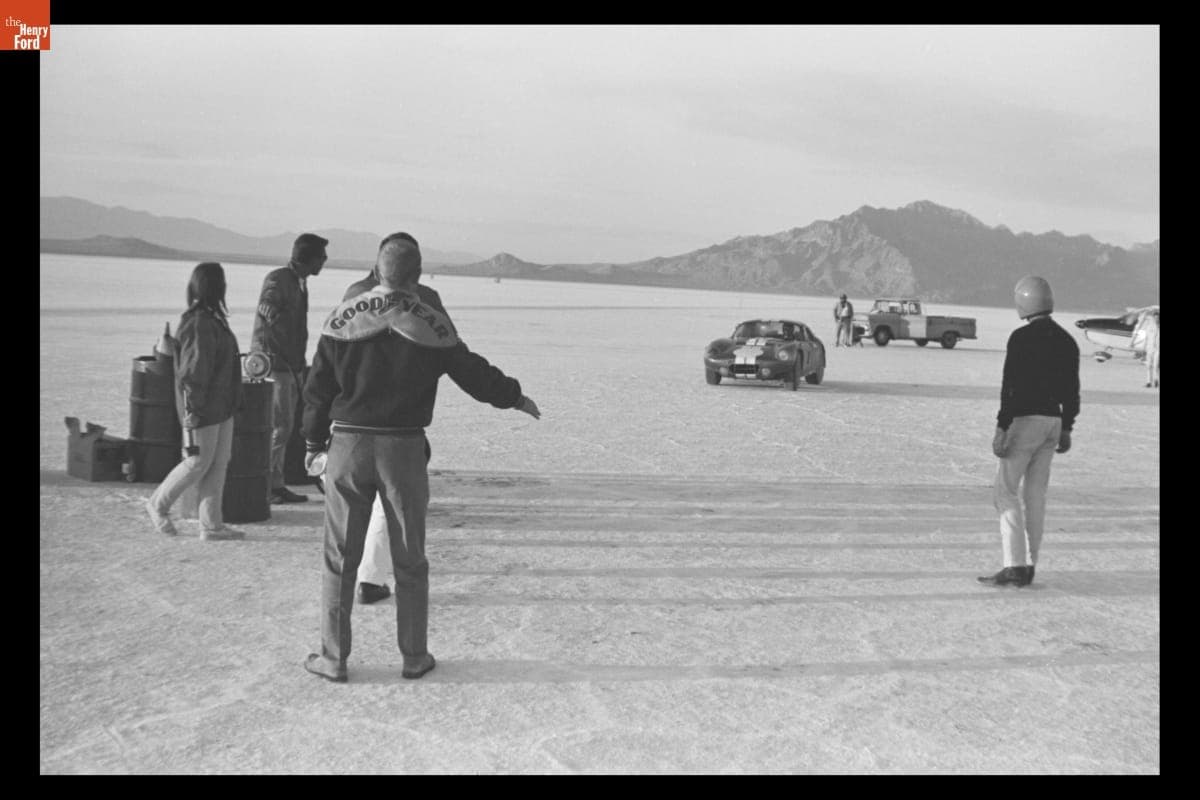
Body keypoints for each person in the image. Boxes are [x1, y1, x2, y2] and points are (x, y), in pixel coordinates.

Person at [301, 233, 541, 683]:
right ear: (416, 276)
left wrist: (313, 444)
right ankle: (413, 656)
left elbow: (317, 387)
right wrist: (514, 397)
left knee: (340, 557)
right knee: (410, 558)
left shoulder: (344, 317)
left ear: (376, 270)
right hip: (403, 449)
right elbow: (471, 372)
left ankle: (333, 658)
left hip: (349, 447)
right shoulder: (429, 322)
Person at [979, 275, 1079, 588]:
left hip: (1025, 422)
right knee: (1036, 495)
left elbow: (1011, 385)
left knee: (1006, 491)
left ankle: (1014, 565)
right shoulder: (1067, 340)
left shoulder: (1021, 339)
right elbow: (1071, 390)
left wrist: (1002, 425)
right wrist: (1067, 426)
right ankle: (1030, 565)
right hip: (1052, 423)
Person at [144, 262, 245, 541]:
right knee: (197, 462)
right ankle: (157, 504)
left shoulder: (212, 319)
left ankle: (211, 525)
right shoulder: (200, 323)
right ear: (217, 287)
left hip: (222, 406)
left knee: (218, 463)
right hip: (205, 408)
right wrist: (193, 410)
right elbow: (193, 372)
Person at [252, 232, 328, 505]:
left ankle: (275, 482)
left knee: (283, 427)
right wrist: (268, 309)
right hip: (274, 366)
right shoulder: (278, 279)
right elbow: (268, 302)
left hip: (291, 365)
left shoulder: (298, 282)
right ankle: (267, 485)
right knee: (278, 427)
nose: (326, 261)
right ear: (311, 259)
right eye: (322, 257)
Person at [1141, 309, 1159, 388]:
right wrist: (1143, 348)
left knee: (1156, 365)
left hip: (1158, 349)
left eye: (1158, 318)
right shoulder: (1149, 327)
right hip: (1149, 348)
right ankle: (1148, 382)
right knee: (1148, 366)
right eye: (1155, 318)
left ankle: (1156, 380)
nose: (1156, 319)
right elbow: (1146, 338)